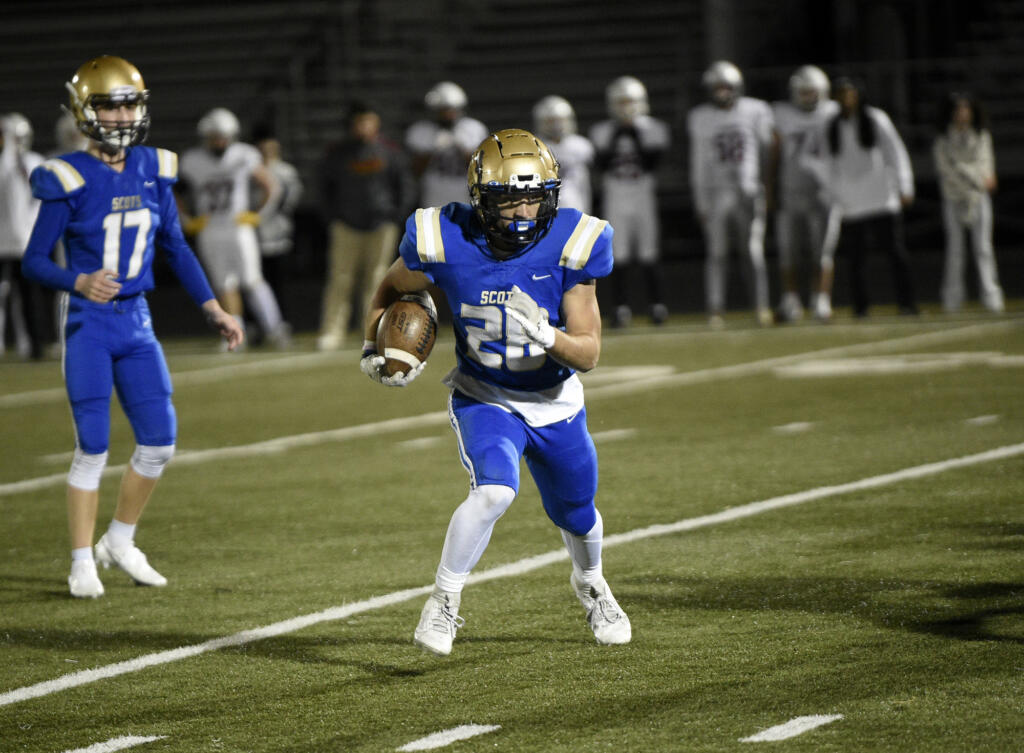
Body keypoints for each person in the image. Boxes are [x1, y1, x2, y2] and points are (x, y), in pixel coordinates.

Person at [360, 128, 631, 656]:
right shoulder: (443, 236)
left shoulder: (576, 243)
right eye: (510, 199)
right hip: (486, 393)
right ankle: (442, 601)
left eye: (534, 197)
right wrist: (375, 344)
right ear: (481, 200)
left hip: (555, 400)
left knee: (578, 514)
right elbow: (392, 289)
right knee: (494, 492)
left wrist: (548, 336)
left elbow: (590, 353)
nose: (524, 211)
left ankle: (592, 582)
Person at [20, 55, 243, 598]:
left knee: (159, 442)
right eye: (109, 105)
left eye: (129, 104)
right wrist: (78, 281)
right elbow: (33, 261)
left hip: (138, 321)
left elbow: (174, 245)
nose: (121, 116)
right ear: (84, 111)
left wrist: (211, 306)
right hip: (89, 323)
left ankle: (119, 540)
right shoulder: (66, 175)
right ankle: (80, 559)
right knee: (92, 446)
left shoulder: (152, 166)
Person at [177, 107, 289, 348]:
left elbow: (272, 186)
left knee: (252, 280)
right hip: (210, 229)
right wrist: (187, 220)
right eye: (214, 136)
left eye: (222, 136)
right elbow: (175, 193)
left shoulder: (243, 155)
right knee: (223, 283)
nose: (219, 141)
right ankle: (236, 333)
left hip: (238, 228)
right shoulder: (192, 160)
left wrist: (258, 215)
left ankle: (275, 328)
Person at [317, 100, 413, 350]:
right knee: (340, 279)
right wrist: (333, 216)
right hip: (346, 225)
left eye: (368, 120)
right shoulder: (337, 153)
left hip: (382, 225)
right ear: (351, 124)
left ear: (377, 122)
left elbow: (403, 185)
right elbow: (324, 187)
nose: (364, 127)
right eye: (359, 121)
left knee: (377, 279)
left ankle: (374, 330)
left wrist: (395, 215)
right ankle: (332, 332)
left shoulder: (389, 151)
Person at [687, 60, 775, 328]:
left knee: (753, 251)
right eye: (717, 87)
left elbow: (766, 152)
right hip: (716, 192)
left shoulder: (756, 110)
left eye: (726, 87)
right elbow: (698, 162)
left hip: (747, 189)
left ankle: (761, 306)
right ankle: (715, 308)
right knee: (717, 253)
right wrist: (700, 200)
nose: (722, 92)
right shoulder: (700, 117)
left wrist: (766, 187)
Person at [823, 77, 917, 317]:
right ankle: (861, 307)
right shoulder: (832, 125)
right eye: (842, 94)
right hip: (851, 203)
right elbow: (829, 163)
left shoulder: (875, 118)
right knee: (855, 260)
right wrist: (833, 194)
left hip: (881, 198)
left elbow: (895, 151)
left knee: (895, 253)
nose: (847, 99)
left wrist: (904, 184)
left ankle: (907, 303)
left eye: (850, 93)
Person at [589, 76, 671, 327]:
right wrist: (618, 135)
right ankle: (620, 308)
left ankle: (657, 305)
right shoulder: (602, 131)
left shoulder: (652, 128)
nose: (625, 107)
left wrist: (633, 134)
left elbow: (651, 164)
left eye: (629, 101)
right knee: (618, 253)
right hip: (616, 193)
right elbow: (602, 165)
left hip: (643, 193)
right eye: (620, 102)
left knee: (649, 251)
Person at [770, 65, 840, 322]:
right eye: (803, 92)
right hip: (790, 191)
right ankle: (790, 300)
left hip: (823, 192)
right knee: (788, 249)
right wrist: (771, 188)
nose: (808, 97)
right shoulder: (781, 114)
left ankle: (821, 300)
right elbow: (775, 154)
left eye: (812, 92)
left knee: (821, 251)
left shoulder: (833, 112)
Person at [933, 93, 1004, 313]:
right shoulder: (943, 140)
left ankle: (991, 297)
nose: (962, 114)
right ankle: (952, 299)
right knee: (955, 250)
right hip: (954, 198)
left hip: (978, 198)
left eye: (965, 109)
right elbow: (946, 172)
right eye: (958, 110)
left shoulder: (981, 136)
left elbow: (987, 170)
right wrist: (973, 178)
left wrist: (968, 174)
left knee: (983, 247)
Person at [0, 113, 45, 358]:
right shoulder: (4, 165)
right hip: (3, 241)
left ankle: (33, 344)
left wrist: (31, 228)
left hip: (24, 241)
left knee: (28, 297)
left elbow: (39, 201)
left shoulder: (35, 161)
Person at [405, 81, 488, 208]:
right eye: (443, 110)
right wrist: (432, 149)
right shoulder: (421, 130)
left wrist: (460, 147)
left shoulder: (473, 128)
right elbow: (414, 171)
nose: (448, 114)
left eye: (451, 110)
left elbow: (481, 169)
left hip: (465, 195)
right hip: (433, 197)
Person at [253, 129, 304, 329]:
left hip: (277, 232)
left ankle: (281, 321)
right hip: (253, 233)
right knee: (254, 281)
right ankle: (255, 324)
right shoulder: (250, 169)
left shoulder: (285, 171)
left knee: (278, 281)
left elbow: (290, 200)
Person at [532, 95, 594, 214]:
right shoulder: (535, 146)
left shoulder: (581, 145)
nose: (556, 125)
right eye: (550, 121)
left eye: (560, 120)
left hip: (577, 200)